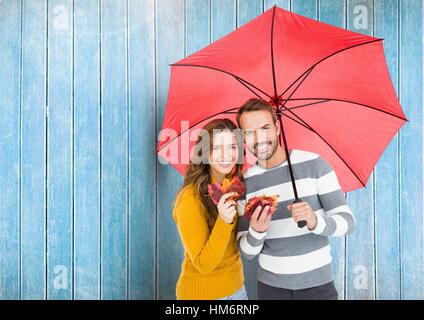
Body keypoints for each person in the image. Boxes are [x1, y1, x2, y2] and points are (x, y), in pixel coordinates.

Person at [235, 98, 355, 300]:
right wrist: (257, 231)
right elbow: (246, 252)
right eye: (249, 133)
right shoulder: (244, 183)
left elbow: (348, 223)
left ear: (277, 127)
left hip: (319, 287)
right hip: (271, 290)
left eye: (265, 128)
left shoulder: (314, 164)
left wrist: (315, 222)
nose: (259, 138)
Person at [172, 118, 248, 300]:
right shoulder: (190, 198)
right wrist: (224, 221)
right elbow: (203, 264)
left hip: (238, 290)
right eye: (217, 148)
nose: (226, 154)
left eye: (232, 146)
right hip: (202, 295)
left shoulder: (237, 187)